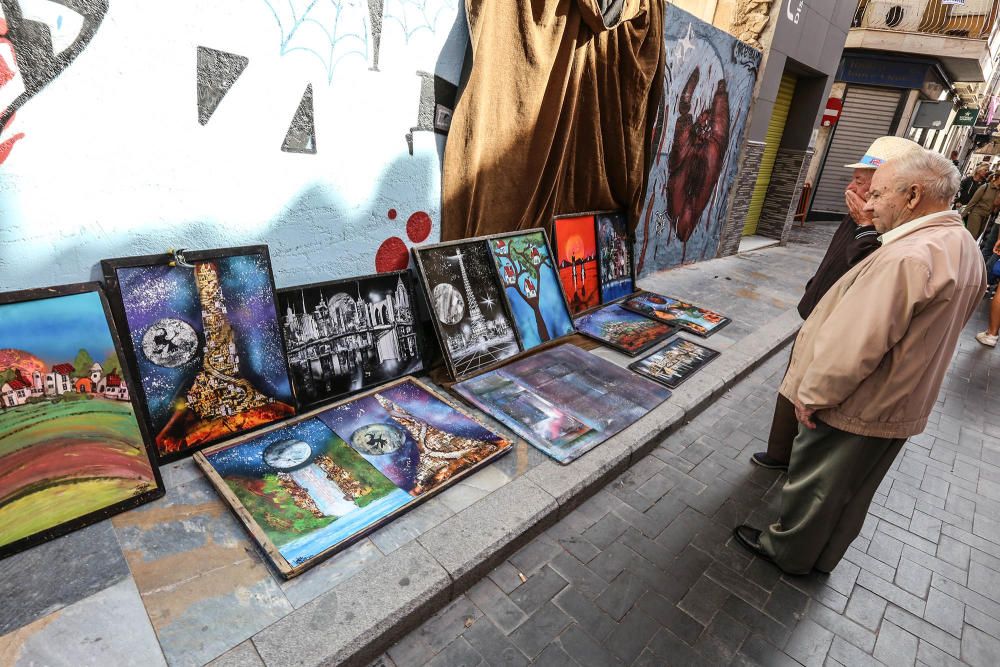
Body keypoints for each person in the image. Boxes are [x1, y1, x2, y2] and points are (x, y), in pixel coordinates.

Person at [734, 148, 986, 575]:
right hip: (901, 400)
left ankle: (788, 551)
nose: (867, 205)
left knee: (817, 484)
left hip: (860, 401)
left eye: (879, 194)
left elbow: (858, 342)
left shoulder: (909, 256)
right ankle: (820, 557)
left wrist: (813, 395)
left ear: (912, 196)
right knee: (850, 491)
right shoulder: (961, 244)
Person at [751, 136, 921, 471]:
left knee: (813, 395)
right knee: (792, 381)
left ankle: (798, 464)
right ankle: (780, 452)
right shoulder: (859, 213)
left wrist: (864, 226)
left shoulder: (889, 229)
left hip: (841, 326)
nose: (851, 185)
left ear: (889, 187)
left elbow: (870, 273)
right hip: (819, 309)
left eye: (861, 180)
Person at [962, 171, 1000, 240]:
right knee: (972, 236)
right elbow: (973, 201)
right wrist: (963, 215)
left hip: (987, 217)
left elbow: (996, 208)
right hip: (976, 213)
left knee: (976, 238)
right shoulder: (986, 187)